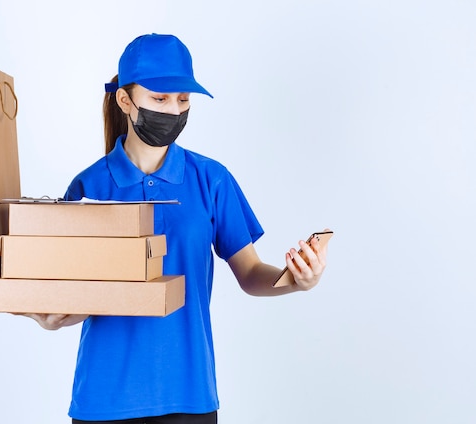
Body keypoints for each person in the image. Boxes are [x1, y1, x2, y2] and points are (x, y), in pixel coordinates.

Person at [23, 33, 329, 424]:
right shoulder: (89, 187)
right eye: (160, 99)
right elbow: (79, 294)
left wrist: (295, 280)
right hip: (104, 399)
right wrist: (52, 316)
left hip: (189, 397)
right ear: (125, 100)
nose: (173, 110)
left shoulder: (211, 180)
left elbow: (250, 273)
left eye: (183, 100)